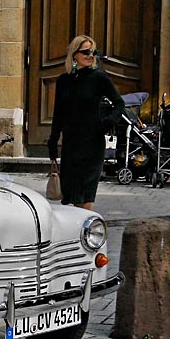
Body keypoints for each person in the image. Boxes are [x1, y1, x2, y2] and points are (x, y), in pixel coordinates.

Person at [47, 35, 124, 210]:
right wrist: (53, 141)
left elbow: (119, 103)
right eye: (86, 52)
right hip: (71, 145)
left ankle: (86, 234)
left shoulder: (99, 77)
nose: (90, 55)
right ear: (74, 54)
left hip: (92, 144)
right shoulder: (64, 80)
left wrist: (107, 123)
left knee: (86, 194)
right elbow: (58, 113)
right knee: (70, 196)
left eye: (93, 52)